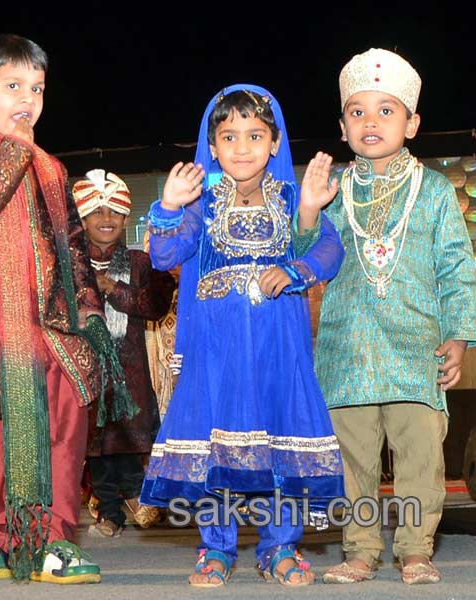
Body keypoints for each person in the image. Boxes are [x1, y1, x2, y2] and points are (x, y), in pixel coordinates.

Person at [0, 34, 131, 585]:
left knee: (63, 435)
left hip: (51, 331)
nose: (27, 98)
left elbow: (71, 246)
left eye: (37, 89)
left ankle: (54, 542)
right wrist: (15, 150)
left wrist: (89, 314)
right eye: (13, 86)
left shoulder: (53, 169)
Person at [141, 84, 346, 587]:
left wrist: (296, 267)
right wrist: (167, 207)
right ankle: (216, 549)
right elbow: (165, 257)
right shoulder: (200, 202)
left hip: (279, 345)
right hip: (217, 348)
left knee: (281, 439)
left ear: (275, 143)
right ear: (211, 147)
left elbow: (328, 250)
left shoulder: (295, 198)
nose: (241, 146)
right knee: (218, 444)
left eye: (255, 135)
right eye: (228, 136)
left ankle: (280, 547)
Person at [316, 49, 476, 586]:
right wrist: (307, 209)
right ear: (342, 128)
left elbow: (457, 266)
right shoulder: (333, 192)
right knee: (353, 464)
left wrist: (458, 336)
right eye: (358, 112)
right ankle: (361, 551)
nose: (371, 122)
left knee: (419, 462)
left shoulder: (434, 191)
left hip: (417, 351)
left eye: (385, 111)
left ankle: (415, 549)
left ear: (411, 123)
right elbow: (303, 254)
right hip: (348, 350)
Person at [73, 170, 173, 537]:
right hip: (84, 367)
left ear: (127, 218)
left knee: (129, 437)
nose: (106, 220)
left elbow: (154, 306)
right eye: (96, 212)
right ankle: (109, 510)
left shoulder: (140, 262)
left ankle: (134, 494)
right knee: (94, 444)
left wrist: (112, 287)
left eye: (114, 212)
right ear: (82, 219)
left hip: (131, 368)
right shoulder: (70, 265)